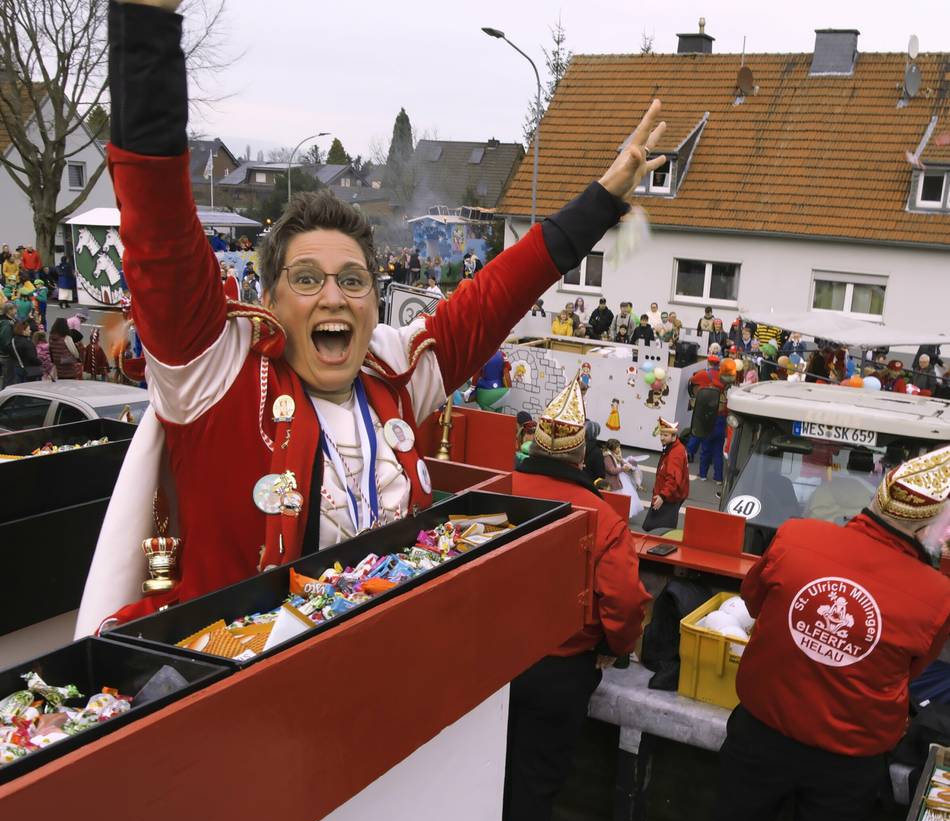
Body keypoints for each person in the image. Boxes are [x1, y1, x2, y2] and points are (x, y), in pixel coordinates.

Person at [75, 0, 668, 636]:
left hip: (378, 688)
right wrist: (146, 29)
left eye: (353, 280)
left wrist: (602, 200)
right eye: (306, 279)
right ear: (268, 301)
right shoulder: (216, 374)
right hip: (237, 704)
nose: (334, 297)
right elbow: (159, 224)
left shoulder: (394, 371)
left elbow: (497, 293)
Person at [673, 445, 950, 821]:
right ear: (927, 526)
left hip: (763, 732)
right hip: (847, 763)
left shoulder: (796, 538)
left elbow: (754, 603)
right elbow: (913, 668)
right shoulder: (935, 595)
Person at [503, 375, 651, 821]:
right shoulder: (604, 519)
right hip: (558, 670)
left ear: (536, 444)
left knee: (489, 772)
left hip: (488, 664)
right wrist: (615, 649)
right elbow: (626, 602)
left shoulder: (498, 488)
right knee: (536, 780)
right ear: (582, 453)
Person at [643, 417, 689, 532]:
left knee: (657, 531)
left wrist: (663, 496)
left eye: (665, 435)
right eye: (661, 434)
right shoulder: (675, 448)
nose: (662, 438)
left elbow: (673, 478)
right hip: (669, 495)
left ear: (674, 436)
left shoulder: (675, 454)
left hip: (668, 498)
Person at [698, 358, 736, 483]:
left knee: (705, 450)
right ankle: (718, 477)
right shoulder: (727, 383)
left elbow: (692, 382)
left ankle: (703, 474)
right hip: (720, 420)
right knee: (718, 452)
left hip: (709, 418)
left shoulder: (706, 375)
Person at [48, 316, 83, 380]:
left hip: (58, 366)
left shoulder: (51, 338)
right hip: (68, 367)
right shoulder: (66, 338)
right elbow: (75, 353)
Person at [0, 303, 15, 388]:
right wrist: (10, 352)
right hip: (6, 355)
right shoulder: (6, 323)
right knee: (8, 379)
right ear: (9, 311)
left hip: (2, 354)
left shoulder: (3, 320)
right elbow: (5, 340)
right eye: (14, 309)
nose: (16, 311)